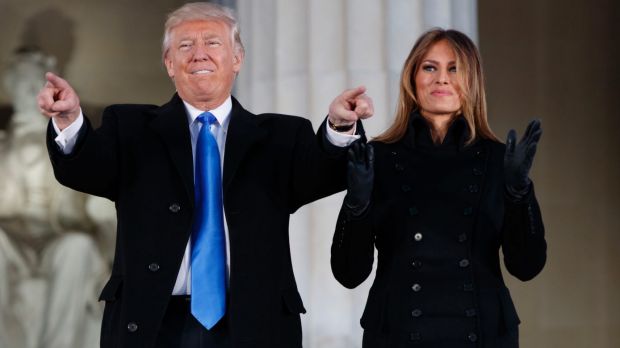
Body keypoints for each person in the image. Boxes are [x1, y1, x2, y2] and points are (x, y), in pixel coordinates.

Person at [37, 3, 372, 348]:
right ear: (169, 63)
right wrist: (69, 120)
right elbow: (87, 169)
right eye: (184, 46)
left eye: (212, 43)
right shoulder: (130, 128)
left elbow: (321, 174)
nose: (198, 55)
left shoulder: (282, 137)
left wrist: (340, 126)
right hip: (154, 325)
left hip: (255, 325)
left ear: (237, 58)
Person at [331, 28, 546, 348]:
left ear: (472, 80)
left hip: (483, 335)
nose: (441, 78)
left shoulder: (500, 160)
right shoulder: (379, 158)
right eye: (430, 67)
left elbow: (526, 266)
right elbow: (349, 273)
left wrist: (519, 193)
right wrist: (356, 205)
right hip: (399, 335)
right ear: (412, 79)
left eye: (454, 68)